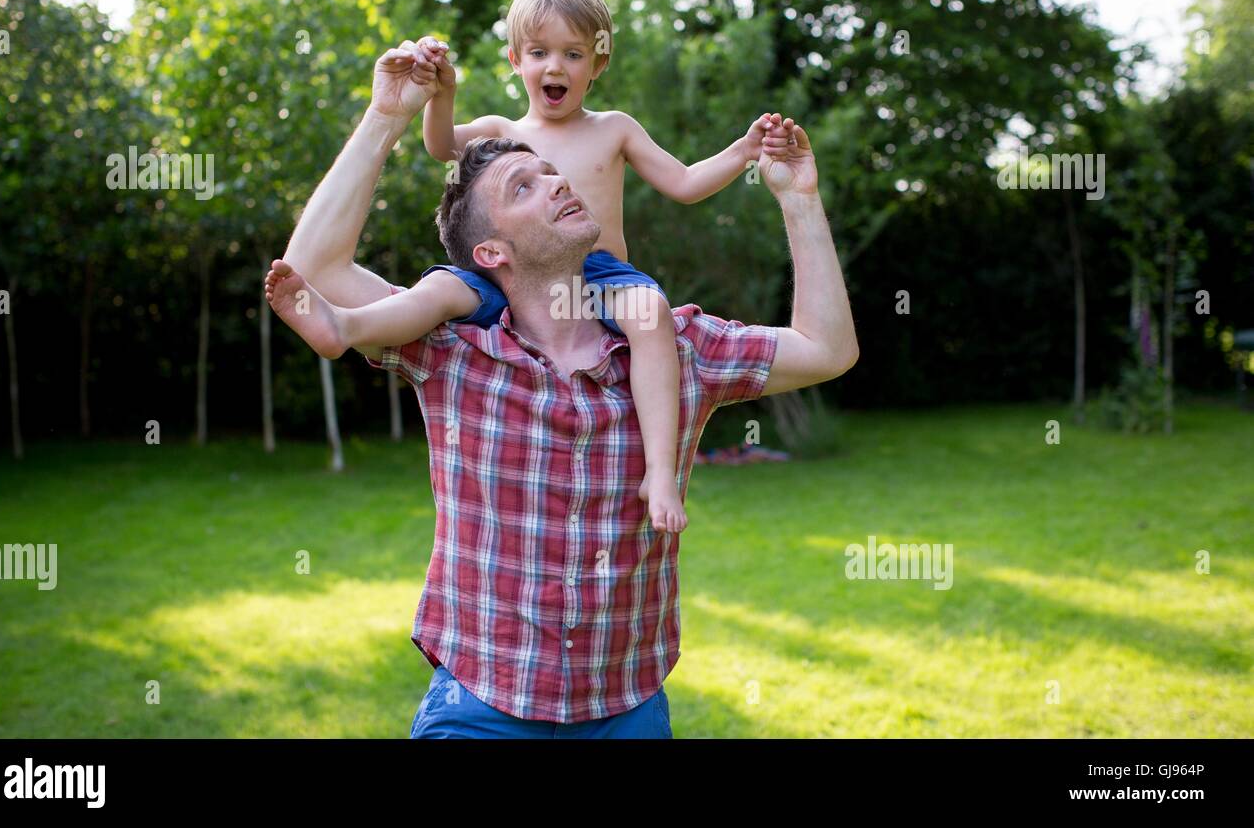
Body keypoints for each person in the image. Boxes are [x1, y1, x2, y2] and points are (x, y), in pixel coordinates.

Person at [268, 39, 858, 738]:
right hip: (477, 705)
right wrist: (386, 116)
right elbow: (310, 270)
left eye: (550, 171)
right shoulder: (453, 345)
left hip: (625, 709)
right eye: (523, 186)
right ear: (492, 255)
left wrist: (799, 200)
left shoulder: (670, 348)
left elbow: (828, 350)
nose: (555, 180)